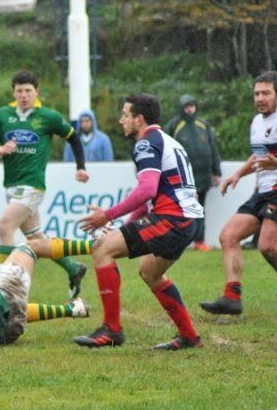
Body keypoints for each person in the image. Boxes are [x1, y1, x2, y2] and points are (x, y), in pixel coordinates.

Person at [71, 93, 204, 350]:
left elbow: (146, 191)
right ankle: (189, 336)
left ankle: (112, 330)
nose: (121, 120)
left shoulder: (145, 143)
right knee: (150, 272)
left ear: (139, 119)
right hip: (189, 220)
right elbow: (147, 201)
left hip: (172, 219)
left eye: (125, 115)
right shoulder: (166, 140)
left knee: (101, 249)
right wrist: (122, 226)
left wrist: (106, 216)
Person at [0, 70, 90, 299]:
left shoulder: (48, 116)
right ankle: (74, 268)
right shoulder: (3, 115)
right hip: (11, 187)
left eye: (28, 91)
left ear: (36, 92)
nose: (24, 95)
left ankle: (2, 290)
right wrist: (1, 149)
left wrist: (80, 166)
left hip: (33, 185)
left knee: (5, 227)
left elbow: (73, 137)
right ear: (14, 92)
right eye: (19, 91)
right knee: (35, 239)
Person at [200, 71, 277, 316]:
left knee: (267, 246)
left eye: (266, 93)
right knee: (228, 236)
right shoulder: (257, 122)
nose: (260, 98)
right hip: (262, 192)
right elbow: (259, 156)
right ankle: (232, 298)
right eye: (257, 93)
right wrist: (237, 174)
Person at [165, 94, 221, 251]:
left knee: (200, 208)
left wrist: (216, 172)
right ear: (181, 108)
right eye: (186, 106)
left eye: (192, 106)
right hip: (182, 176)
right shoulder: (174, 126)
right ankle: (179, 240)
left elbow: (213, 148)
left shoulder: (203, 124)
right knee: (181, 209)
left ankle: (199, 241)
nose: (190, 109)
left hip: (203, 175)